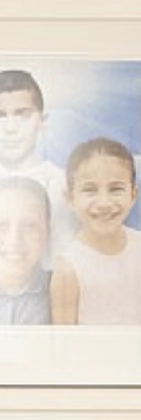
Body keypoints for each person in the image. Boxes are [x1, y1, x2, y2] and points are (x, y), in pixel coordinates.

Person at [0, 69, 74, 257]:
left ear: (42, 121)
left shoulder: (62, 186)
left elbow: (65, 257)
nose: (10, 128)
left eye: (22, 115)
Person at [51, 137, 141, 324]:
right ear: (69, 198)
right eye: (90, 190)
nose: (104, 203)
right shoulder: (68, 268)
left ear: (133, 195)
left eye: (116, 189)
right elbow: (63, 337)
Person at [0, 176, 52, 325]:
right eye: (1, 225)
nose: (14, 240)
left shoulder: (60, 290)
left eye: (29, 225)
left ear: (47, 231)